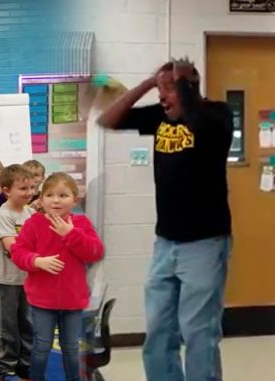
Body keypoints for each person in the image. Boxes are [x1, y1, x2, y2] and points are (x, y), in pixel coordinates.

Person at [97, 58, 233, 381]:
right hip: (165, 244)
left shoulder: (217, 115)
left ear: (191, 85)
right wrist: (148, 83)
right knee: (158, 331)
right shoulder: (161, 118)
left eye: (169, 89)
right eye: (161, 90)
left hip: (205, 243)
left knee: (199, 332)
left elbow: (198, 122)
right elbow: (108, 119)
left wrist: (183, 86)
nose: (162, 96)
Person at [11, 172, 104, 381]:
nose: (56, 200)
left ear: (74, 199)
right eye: (50, 195)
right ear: (41, 199)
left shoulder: (81, 223)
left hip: (73, 299)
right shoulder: (34, 223)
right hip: (42, 300)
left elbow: (95, 252)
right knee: (42, 345)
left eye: (63, 195)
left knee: (71, 346)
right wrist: (37, 261)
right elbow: (18, 252)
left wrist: (70, 234)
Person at [0, 164, 36, 381]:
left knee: (27, 323)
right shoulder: (3, 215)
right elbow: (13, 248)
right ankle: (5, 365)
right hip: (6, 280)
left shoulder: (31, 213)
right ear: (7, 191)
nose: (29, 193)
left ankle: (25, 363)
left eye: (31, 188)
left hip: (29, 280)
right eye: (23, 188)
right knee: (6, 324)